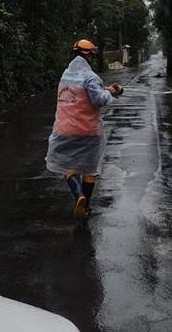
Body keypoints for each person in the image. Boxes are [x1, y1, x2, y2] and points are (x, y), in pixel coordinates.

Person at [46, 39, 124, 222]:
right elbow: (99, 100)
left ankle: (78, 195)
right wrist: (111, 92)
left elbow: (82, 93)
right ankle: (85, 206)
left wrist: (103, 89)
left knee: (68, 165)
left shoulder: (66, 75)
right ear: (89, 56)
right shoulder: (91, 77)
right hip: (88, 131)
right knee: (90, 169)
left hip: (64, 129)